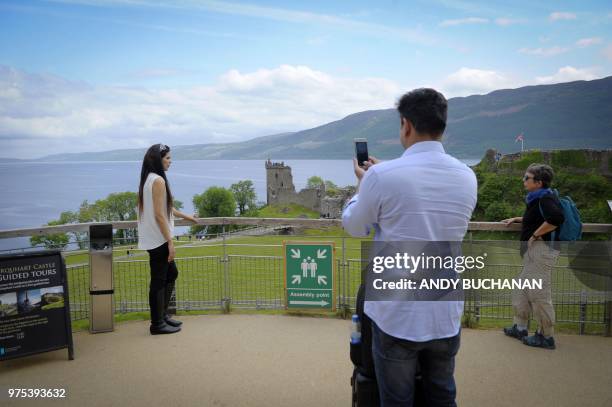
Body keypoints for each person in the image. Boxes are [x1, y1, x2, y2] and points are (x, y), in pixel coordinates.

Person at [342, 88, 477, 406]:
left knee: (397, 399)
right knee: (442, 393)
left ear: (405, 124)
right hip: (444, 309)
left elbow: (355, 226)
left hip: (396, 312)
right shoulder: (467, 176)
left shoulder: (379, 177)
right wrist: (382, 173)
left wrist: (364, 184)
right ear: (442, 125)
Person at [501, 163, 564, 349]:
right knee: (521, 287)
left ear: (539, 182)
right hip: (534, 252)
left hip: (541, 250)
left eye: (526, 178)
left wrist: (535, 235)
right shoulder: (537, 198)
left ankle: (546, 336)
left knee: (539, 293)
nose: (523, 181)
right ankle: (520, 327)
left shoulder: (545, 198)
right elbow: (539, 217)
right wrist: (519, 219)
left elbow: (556, 218)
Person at [137, 143, 198, 335]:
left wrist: (187, 217)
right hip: (159, 240)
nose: (171, 161)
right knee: (158, 281)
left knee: (171, 274)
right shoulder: (158, 181)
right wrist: (170, 242)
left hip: (155, 239)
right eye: (168, 158)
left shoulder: (149, 179)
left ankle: (162, 316)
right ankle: (157, 323)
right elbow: (159, 214)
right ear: (159, 159)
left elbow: (165, 208)